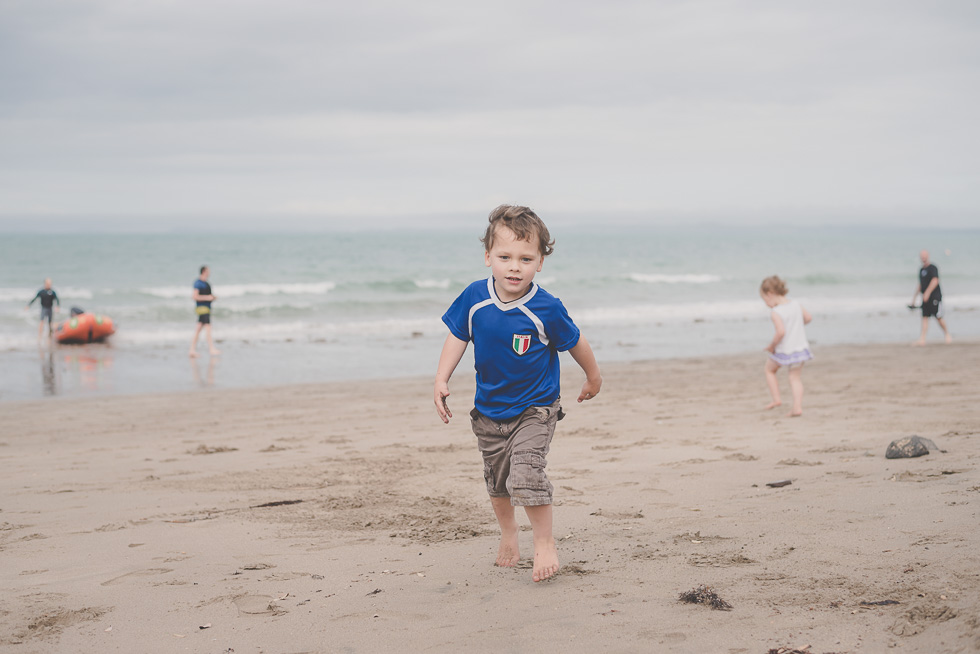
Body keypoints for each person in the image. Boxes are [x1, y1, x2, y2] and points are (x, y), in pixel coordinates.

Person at [433, 205, 602, 583]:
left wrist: (593, 376)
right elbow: (458, 335)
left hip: (536, 408)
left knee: (527, 472)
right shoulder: (474, 297)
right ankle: (509, 533)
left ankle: (544, 543)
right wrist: (442, 377)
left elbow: (576, 341)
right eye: (505, 257)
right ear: (488, 256)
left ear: (540, 262)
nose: (514, 267)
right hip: (489, 411)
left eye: (525, 259)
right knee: (498, 481)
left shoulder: (546, 307)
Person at [760, 275, 812, 417]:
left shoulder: (776, 312)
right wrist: (798, 326)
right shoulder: (796, 304)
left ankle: (776, 399)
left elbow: (781, 332)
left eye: (764, 299)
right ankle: (797, 407)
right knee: (795, 378)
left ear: (770, 294)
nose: (766, 303)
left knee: (769, 370)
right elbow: (808, 318)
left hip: (784, 350)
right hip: (800, 349)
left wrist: (771, 346)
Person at [912, 250, 951, 345]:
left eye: (924, 255)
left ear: (928, 256)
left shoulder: (933, 268)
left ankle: (947, 334)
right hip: (925, 298)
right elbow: (920, 285)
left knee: (938, 317)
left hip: (935, 297)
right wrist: (914, 298)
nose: (923, 257)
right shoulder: (921, 270)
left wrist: (927, 293)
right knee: (924, 317)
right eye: (921, 256)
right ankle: (922, 339)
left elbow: (935, 280)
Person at [189, 265, 220, 357]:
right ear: (204, 271)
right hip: (202, 309)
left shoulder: (206, 283)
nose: (209, 272)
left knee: (198, 330)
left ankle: (192, 350)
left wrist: (212, 297)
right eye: (208, 271)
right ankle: (211, 348)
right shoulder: (198, 283)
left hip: (206, 308)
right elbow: (194, 296)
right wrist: (208, 298)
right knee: (208, 329)